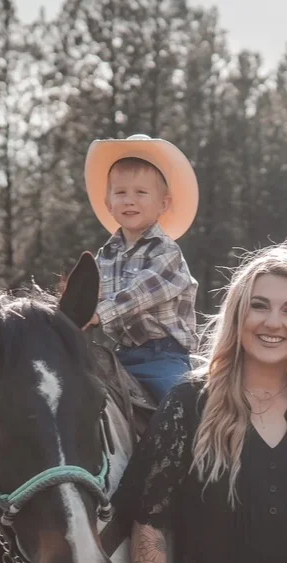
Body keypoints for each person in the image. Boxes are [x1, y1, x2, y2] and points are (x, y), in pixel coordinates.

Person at [115, 242, 287, 563]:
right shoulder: (189, 403)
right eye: (258, 306)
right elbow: (150, 522)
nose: (273, 322)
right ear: (237, 315)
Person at [84, 134, 199, 405]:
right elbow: (90, 298)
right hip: (121, 356)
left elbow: (140, 293)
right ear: (108, 203)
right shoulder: (105, 256)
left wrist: (98, 314)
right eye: (121, 193)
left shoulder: (167, 252)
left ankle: (196, 445)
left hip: (164, 356)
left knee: (180, 404)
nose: (129, 201)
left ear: (163, 203)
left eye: (141, 193)